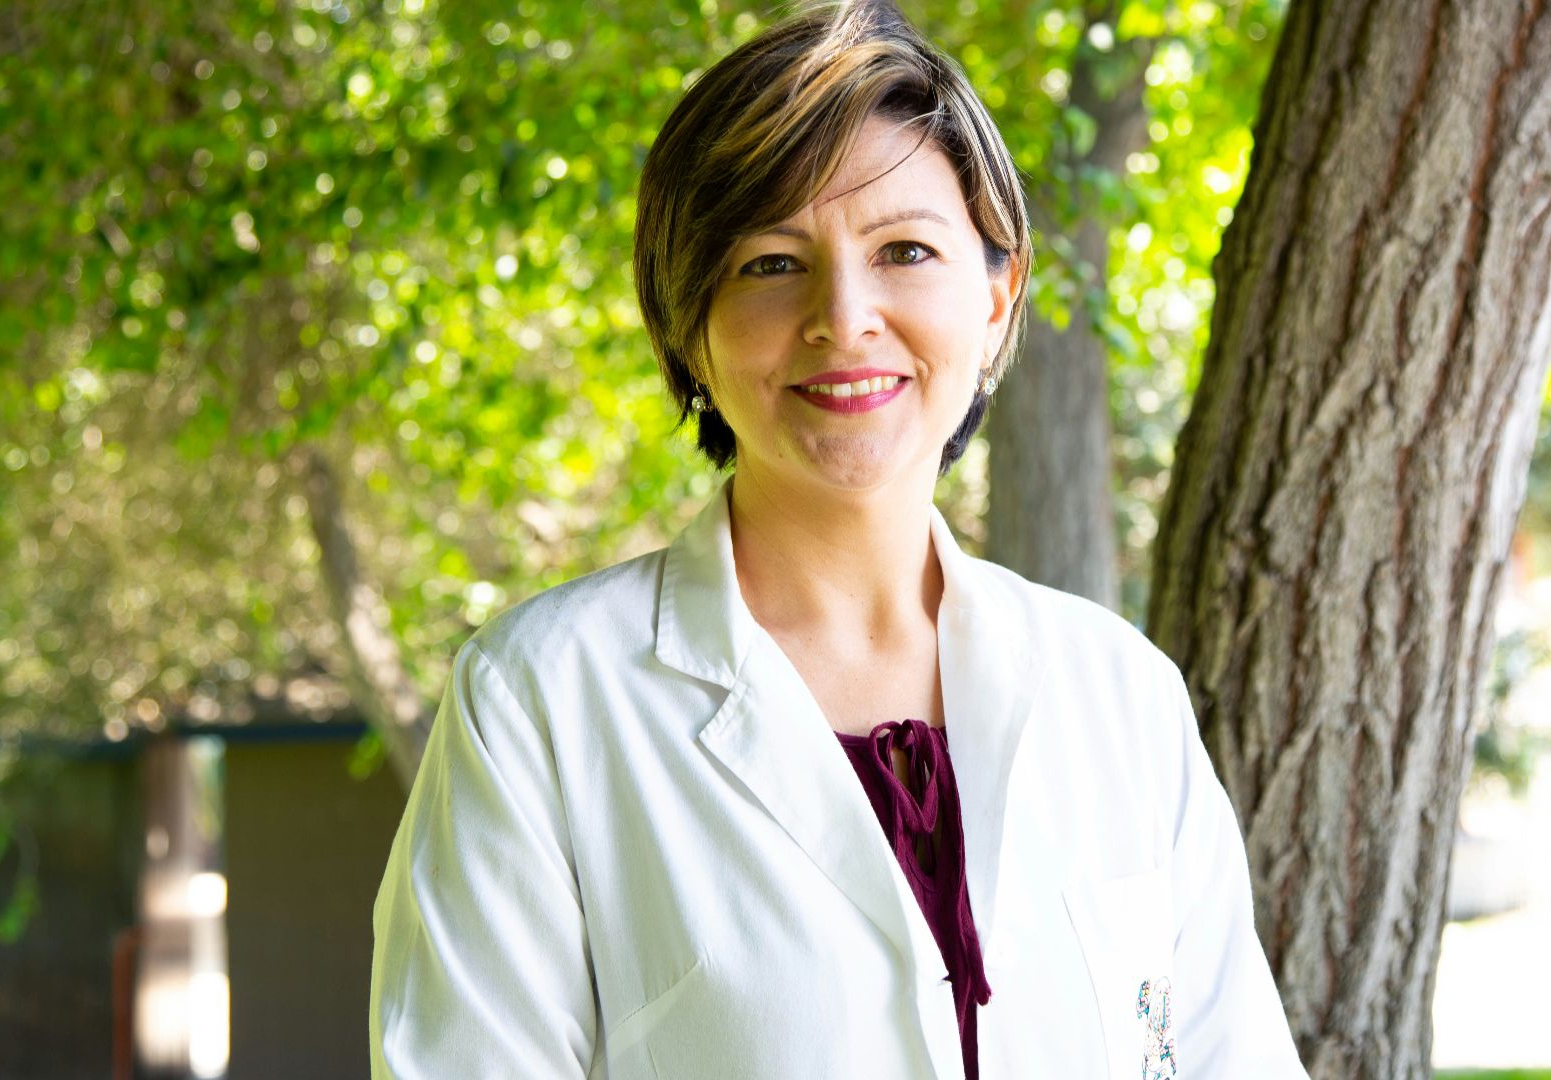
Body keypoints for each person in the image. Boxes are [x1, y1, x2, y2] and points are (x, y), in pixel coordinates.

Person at [368, 2, 1307, 1077]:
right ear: (689, 327)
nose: (844, 316)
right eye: (772, 264)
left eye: (905, 250)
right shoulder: (540, 703)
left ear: (997, 300)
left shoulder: (1121, 695)